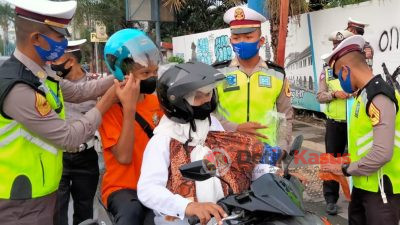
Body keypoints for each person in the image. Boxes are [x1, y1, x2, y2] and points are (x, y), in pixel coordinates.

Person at [0, 1, 124, 224]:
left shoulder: (40, 73)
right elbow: (68, 137)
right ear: (36, 38)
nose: (65, 42)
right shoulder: (18, 87)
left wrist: (117, 79)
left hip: (45, 189)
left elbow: (79, 91)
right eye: (59, 36)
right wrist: (108, 100)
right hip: (20, 199)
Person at [138, 62, 263, 225]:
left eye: (208, 93)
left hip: (223, 212)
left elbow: (234, 159)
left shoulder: (212, 125)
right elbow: (147, 190)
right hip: (183, 219)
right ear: (177, 102)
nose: (206, 100)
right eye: (197, 96)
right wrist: (187, 206)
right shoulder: (163, 139)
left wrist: (270, 175)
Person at [321, 35, 400, 225]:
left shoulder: (379, 97)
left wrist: (345, 169)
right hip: (363, 185)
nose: (340, 81)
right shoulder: (362, 96)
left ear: (346, 71)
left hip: (381, 192)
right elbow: (364, 142)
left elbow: (382, 153)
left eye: (339, 75)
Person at [213, 6, 293, 166]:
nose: (242, 42)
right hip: (227, 154)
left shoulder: (277, 74)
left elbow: (286, 116)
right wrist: (235, 128)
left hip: (267, 154)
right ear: (230, 41)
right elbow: (209, 115)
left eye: (248, 37)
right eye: (236, 38)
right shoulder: (217, 73)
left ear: (261, 41)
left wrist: (282, 149)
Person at [99, 28, 163, 225]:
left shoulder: (158, 102)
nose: (152, 77)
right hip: (122, 187)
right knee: (132, 213)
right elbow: (124, 157)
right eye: (145, 73)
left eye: (155, 71)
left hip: (156, 184)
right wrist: (129, 107)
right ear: (122, 73)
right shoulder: (110, 109)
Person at [52, 39, 100, 225]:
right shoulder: (52, 86)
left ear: (71, 61)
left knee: (84, 211)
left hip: (86, 156)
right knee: (57, 211)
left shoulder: (96, 85)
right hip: (58, 156)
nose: (52, 63)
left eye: (57, 59)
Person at [316, 30, 353, 215]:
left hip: (355, 124)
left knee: (357, 160)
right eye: (334, 46)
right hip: (335, 124)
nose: (335, 49)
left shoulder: (358, 68)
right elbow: (319, 96)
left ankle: (357, 196)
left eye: (339, 46)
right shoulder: (327, 71)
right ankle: (331, 199)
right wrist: (333, 94)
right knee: (331, 160)